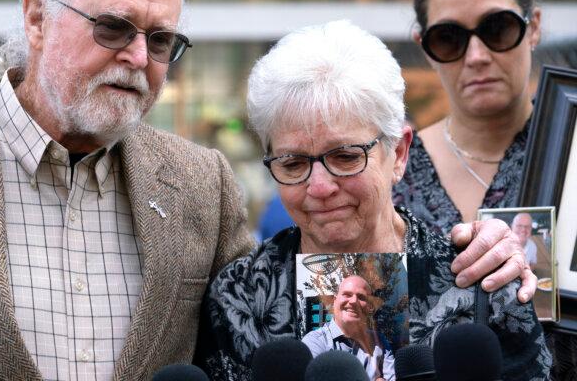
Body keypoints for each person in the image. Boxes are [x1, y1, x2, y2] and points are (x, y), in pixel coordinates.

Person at [194, 20, 551, 381]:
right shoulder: (238, 296)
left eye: (345, 157)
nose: (319, 186)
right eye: (293, 163)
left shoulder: (479, 282)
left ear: (398, 153)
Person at [0, 0, 255, 379]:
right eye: (112, 27)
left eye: (160, 40)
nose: (139, 57)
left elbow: (252, 340)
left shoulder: (203, 184)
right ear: (37, 19)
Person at [393, 0, 541, 236]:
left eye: (498, 28)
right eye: (448, 38)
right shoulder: (394, 170)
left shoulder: (569, 151)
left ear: (533, 28)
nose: (476, 57)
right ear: (425, 47)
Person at [302, 275, 395, 381]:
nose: (354, 301)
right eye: (347, 295)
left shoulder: (379, 342)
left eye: (361, 297)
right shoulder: (315, 342)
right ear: (334, 301)